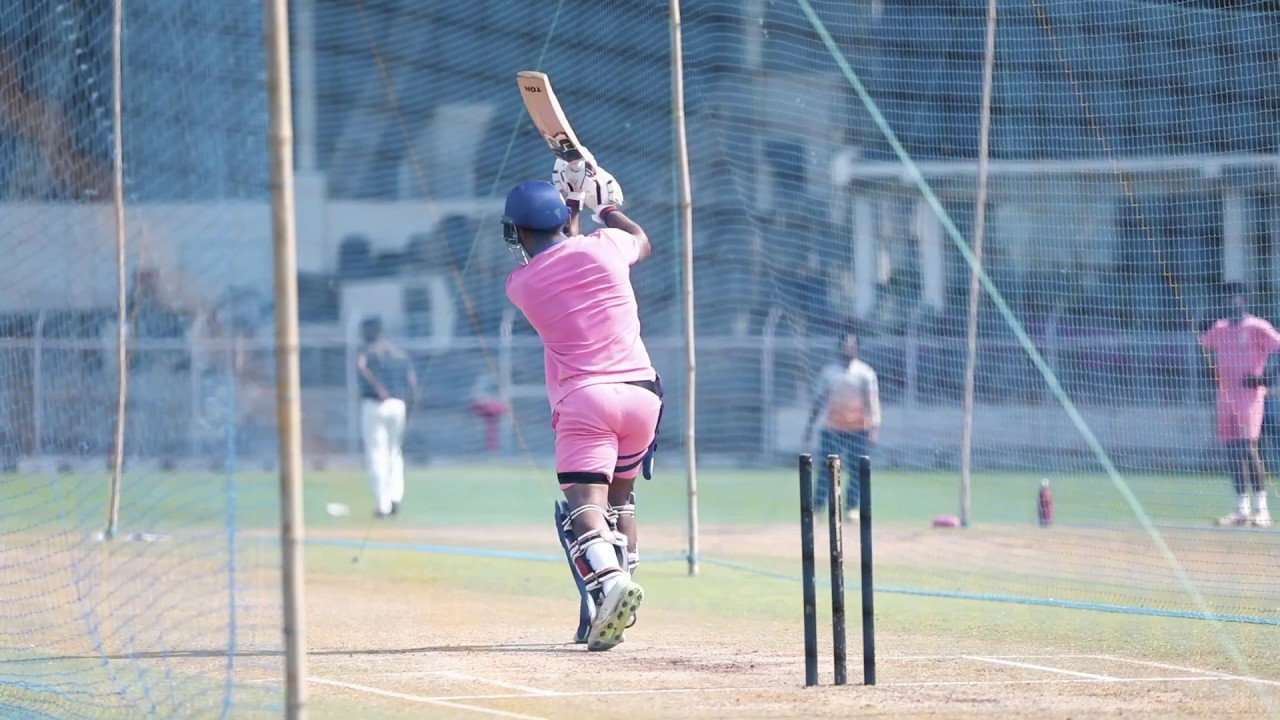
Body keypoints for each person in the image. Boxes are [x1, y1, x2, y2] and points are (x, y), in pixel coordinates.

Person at [503, 158, 659, 652]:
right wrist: (605, 205)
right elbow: (641, 242)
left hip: (587, 401)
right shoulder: (606, 246)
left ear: (517, 232)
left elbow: (553, 250)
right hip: (642, 394)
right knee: (621, 503)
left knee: (584, 511)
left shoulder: (521, 286)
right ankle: (615, 599)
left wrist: (571, 203)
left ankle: (611, 587)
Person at [1199, 282, 1280, 527]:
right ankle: (1241, 509)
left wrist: (1265, 378)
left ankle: (1262, 509)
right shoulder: (1220, 328)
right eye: (1224, 297)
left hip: (1249, 397)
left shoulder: (1257, 326)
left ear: (1243, 300)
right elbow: (1203, 346)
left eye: (1233, 297)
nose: (1229, 302)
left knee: (1248, 448)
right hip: (1225, 397)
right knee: (1232, 452)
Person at [803, 332, 881, 520]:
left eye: (852, 346)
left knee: (857, 469)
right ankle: (818, 508)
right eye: (845, 345)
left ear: (857, 349)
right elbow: (818, 401)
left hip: (858, 429)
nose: (848, 349)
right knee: (828, 469)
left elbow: (872, 402)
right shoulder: (829, 372)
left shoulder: (865, 373)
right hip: (833, 429)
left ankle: (851, 508)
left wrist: (874, 428)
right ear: (839, 348)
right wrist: (810, 427)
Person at [355, 316, 418, 518]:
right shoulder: (399, 353)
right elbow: (412, 382)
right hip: (398, 405)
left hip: (375, 404)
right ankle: (395, 497)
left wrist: (377, 387)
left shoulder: (367, 352)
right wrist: (409, 406)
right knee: (394, 453)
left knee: (376, 453)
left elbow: (361, 366)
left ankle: (382, 504)